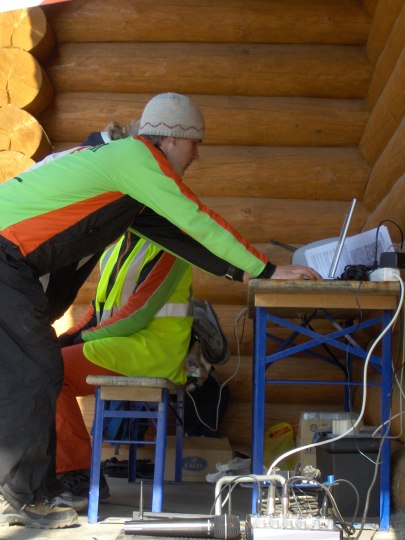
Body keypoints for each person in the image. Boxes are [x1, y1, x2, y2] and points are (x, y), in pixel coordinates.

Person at [0, 92, 320, 529]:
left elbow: (180, 236)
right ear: (171, 138)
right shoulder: (135, 158)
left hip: (12, 265)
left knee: (30, 371)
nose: (197, 156)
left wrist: (248, 272)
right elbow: (195, 217)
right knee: (35, 372)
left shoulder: (123, 182)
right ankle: (29, 500)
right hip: (6, 262)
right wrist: (267, 269)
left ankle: (27, 494)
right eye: (195, 143)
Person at [56, 228, 193, 498]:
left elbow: (136, 315)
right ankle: (59, 470)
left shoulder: (169, 247)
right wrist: (66, 338)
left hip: (153, 352)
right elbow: (97, 310)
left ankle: (78, 473)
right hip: (120, 346)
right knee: (42, 364)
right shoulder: (114, 248)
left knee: (51, 370)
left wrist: (79, 338)